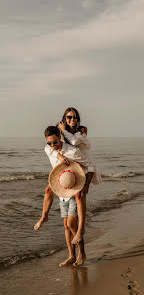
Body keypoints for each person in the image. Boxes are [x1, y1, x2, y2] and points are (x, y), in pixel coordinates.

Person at [34, 107, 100, 244]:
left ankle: (81, 229)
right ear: (64, 119)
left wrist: (86, 184)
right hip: (67, 169)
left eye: (74, 117)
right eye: (69, 117)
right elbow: (48, 146)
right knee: (48, 190)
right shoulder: (58, 136)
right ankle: (44, 216)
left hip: (83, 166)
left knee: (79, 196)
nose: (72, 120)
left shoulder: (81, 132)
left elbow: (76, 144)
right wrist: (58, 153)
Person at [44, 126, 88, 266]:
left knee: (71, 224)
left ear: (60, 137)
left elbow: (89, 166)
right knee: (66, 226)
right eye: (49, 143)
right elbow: (47, 149)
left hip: (74, 187)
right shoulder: (50, 149)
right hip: (62, 190)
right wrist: (59, 155)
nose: (52, 146)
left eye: (55, 142)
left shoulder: (73, 151)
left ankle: (82, 253)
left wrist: (84, 184)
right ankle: (71, 256)